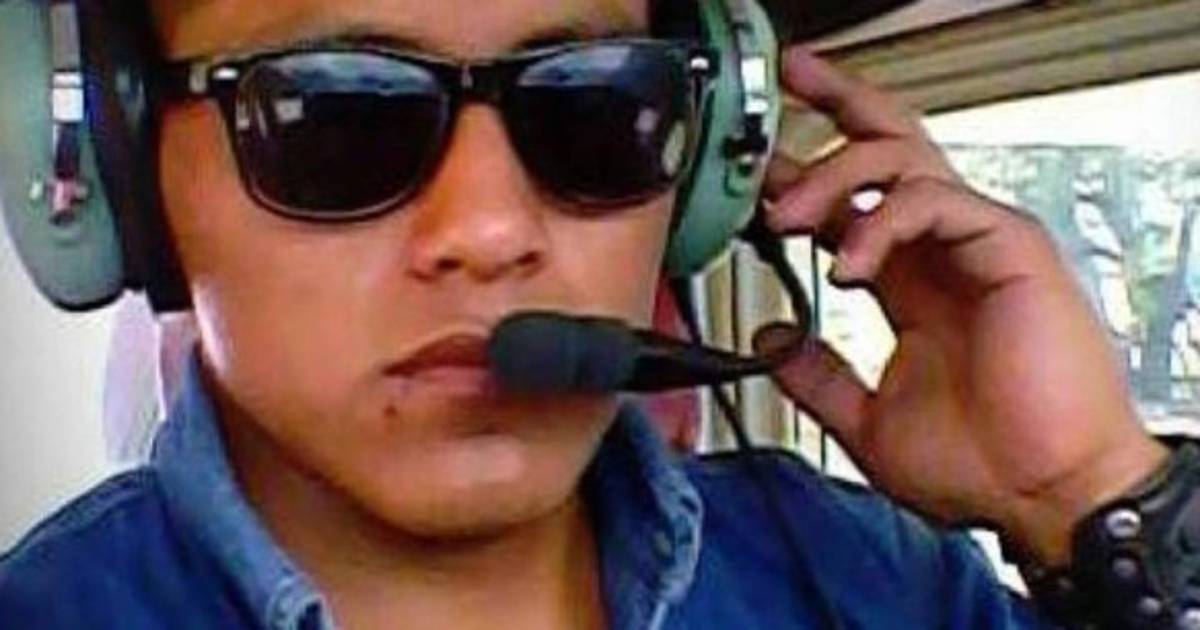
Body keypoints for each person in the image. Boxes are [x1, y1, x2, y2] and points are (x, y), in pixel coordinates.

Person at [0, 0, 1180, 628]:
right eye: (335, 113)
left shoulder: (858, 577)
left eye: (595, 103)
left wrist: (1095, 502)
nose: (489, 228)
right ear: (116, 173)